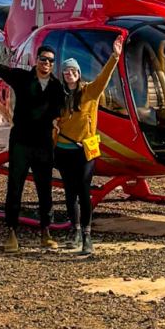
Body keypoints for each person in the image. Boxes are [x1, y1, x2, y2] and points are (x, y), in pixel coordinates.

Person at [0, 33, 66, 253]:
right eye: (44, 59)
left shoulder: (56, 87)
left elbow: (63, 110)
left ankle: (46, 232)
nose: (47, 64)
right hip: (21, 142)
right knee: (14, 187)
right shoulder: (22, 78)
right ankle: (11, 234)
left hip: (43, 144)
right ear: (37, 60)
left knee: (44, 189)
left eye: (51, 61)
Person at [55, 33, 126, 256]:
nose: (70, 74)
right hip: (63, 151)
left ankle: (87, 236)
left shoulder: (90, 92)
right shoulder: (60, 95)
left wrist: (115, 57)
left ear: (78, 73)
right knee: (69, 194)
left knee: (84, 193)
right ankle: (74, 230)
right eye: (66, 71)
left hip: (84, 151)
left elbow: (104, 77)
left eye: (73, 71)